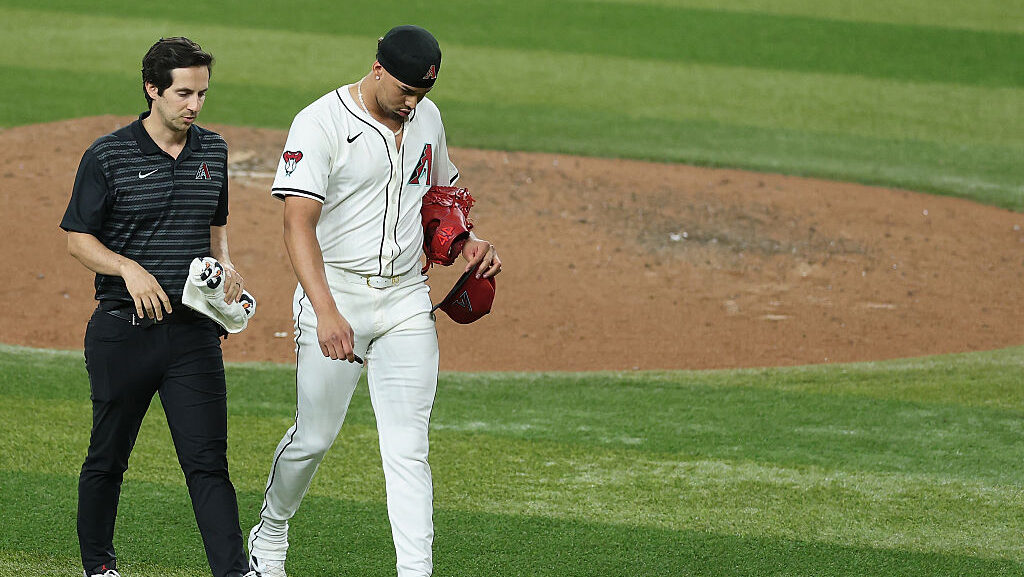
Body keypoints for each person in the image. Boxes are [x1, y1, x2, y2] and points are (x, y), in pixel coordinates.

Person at [246, 25, 501, 577]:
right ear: (378, 68)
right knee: (314, 437)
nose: (413, 102)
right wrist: (327, 312)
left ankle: (416, 570)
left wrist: (467, 242)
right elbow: (297, 224)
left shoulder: (427, 119)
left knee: (408, 447)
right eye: (405, 90)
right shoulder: (321, 123)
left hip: (407, 300)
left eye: (423, 93)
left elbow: (442, 196)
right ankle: (271, 527)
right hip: (334, 293)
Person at [59, 37, 256, 577]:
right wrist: (126, 266)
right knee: (108, 457)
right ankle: (99, 568)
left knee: (208, 464)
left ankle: (233, 573)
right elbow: (78, 238)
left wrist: (226, 264)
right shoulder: (108, 154)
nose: (194, 105)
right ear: (153, 89)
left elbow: (216, 223)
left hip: (193, 334)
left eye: (202, 94)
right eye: (184, 93)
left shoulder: (212, 150)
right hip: (124, 332)